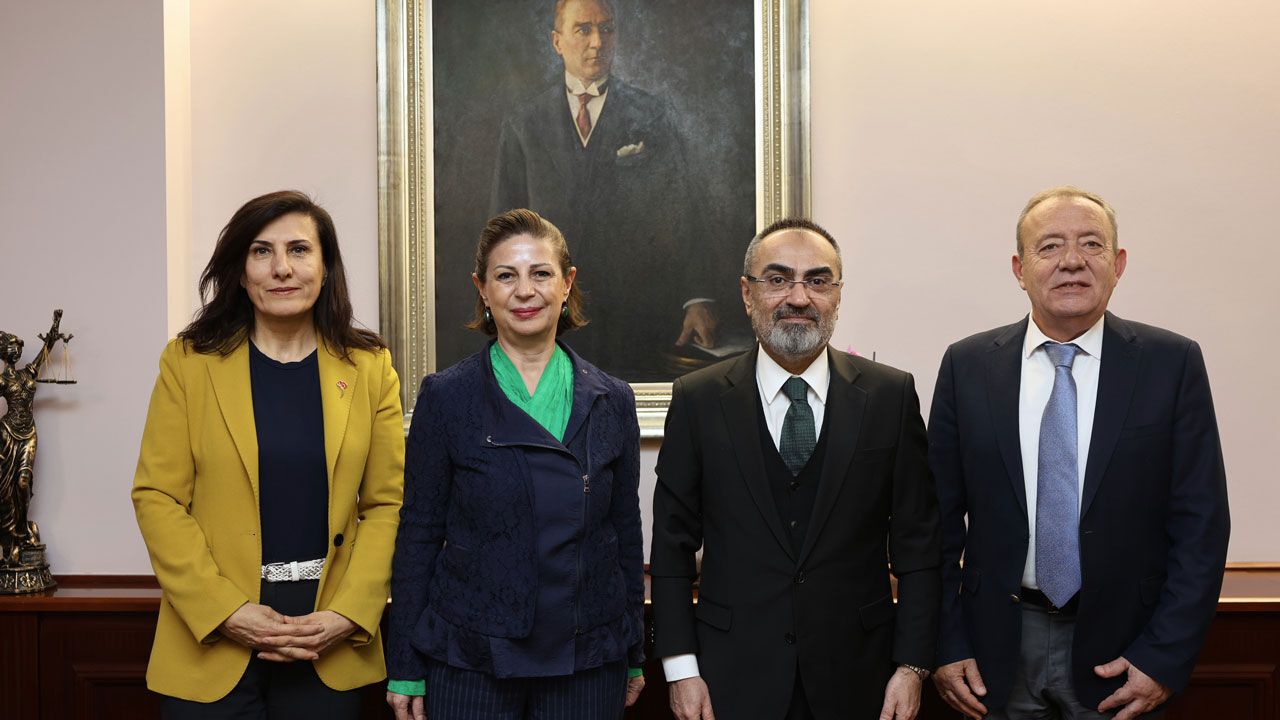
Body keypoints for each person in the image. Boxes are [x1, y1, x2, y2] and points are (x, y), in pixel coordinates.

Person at [929, 186, 1230, 720]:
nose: (1072, 261)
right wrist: (946, 644)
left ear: (1118, 264)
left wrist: (1163, 658)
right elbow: (936, 524)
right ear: (1020, 269)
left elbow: (1201, 525)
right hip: (995, 651)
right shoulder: (967, 366)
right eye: (1049, 246)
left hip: (1125, 651)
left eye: (1092, 244)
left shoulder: (1172, 363)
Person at [649, 219, 941, 720]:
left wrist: (912, 667)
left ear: (838, 295)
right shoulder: (698, 399)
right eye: (778, 279)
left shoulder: (890, 396)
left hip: (861, 678)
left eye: (818, 280)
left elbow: (919, 545)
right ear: (748, 293)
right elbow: (672, 546)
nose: (799, 297)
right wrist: (680, 669)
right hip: (729, 679)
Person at [131, 190, 405, 717]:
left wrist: (348, 613)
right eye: (262, 251)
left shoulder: (370, 368)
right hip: (212, 645)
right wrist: (226, 611)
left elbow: (386, 505)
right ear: (240, 271)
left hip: (328, 644)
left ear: (325, 267)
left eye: (299, 249)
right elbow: (157, 497)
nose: (282, 268)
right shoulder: (188, 363)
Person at [385, 208, 646, 719]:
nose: (525, 291)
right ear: (482, 289)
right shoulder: (446, 396)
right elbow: (418, 534)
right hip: (470, 657)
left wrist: (633, 650)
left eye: (541, 273)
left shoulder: (612, 399)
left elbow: (625, 531)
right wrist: (405, 666)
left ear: (566, 284)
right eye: (506, 276)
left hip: (588, 657)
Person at [489, 0, 724, 380]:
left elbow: (685, 211)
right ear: (557, 41)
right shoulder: (524, 123)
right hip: (549, 316)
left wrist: (696, 298)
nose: (598, 42)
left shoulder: (652, 114)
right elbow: (502, 231)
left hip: (638, 313)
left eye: (607, 29)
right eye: (583, 29)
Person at [0, 310, 67, 567]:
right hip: (7, 435)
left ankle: (22, 531)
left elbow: (45, 351)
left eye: (19, 347)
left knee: (23, 483)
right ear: (4, 353)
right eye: (12, 347)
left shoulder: (28, 372)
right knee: (6, 490)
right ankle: (14, 539)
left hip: (28, 433)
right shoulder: (3, 381)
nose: (17, 351)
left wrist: (55, 326)